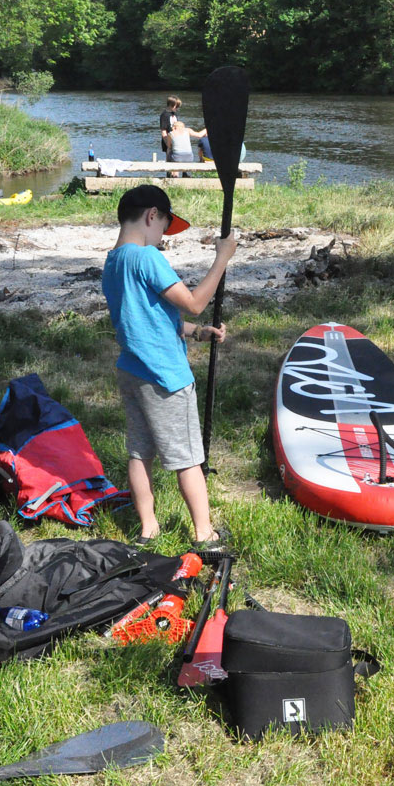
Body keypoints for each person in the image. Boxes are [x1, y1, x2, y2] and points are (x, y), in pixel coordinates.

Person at [102, 184, 236, 548]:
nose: (163, 237)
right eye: (164, 227)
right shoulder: (147, 259)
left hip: (131, 371)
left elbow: (147, 318)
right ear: (151, 216)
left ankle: (148, 528)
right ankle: (205, 535)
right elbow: (193, 302)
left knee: (139, 452)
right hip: (165, 377)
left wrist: (196, 333)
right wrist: (222, 258)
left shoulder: (112, 262)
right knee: (188, 457)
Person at [158, 96, 181, 162]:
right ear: (171, 105)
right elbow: (163, 131)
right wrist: (167, 144)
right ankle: (169, 172)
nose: (177, 108)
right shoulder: (164, 115)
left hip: (176, 139)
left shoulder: (175, 114)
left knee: (177, 159)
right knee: (169, 159)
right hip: (168, 139)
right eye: (176, 106)